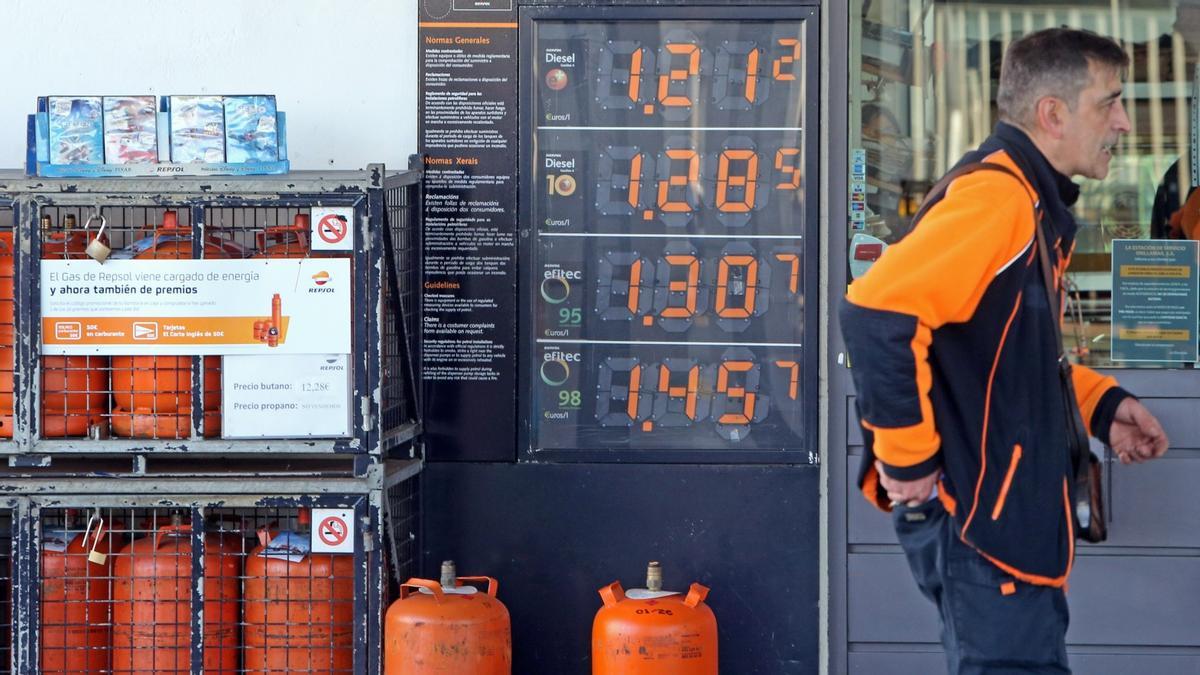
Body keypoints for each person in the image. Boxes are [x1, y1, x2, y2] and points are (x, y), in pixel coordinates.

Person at [839, 28, 1170, 674]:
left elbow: (1005, 356)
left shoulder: (1026, 201)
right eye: (1110, 102)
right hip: (986, 541)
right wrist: (909, 468)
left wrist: (1104, 406)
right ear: (1053, 114)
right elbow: (876, 312)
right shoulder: (1000, 201)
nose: (1125, 123)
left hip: (1004, 539)